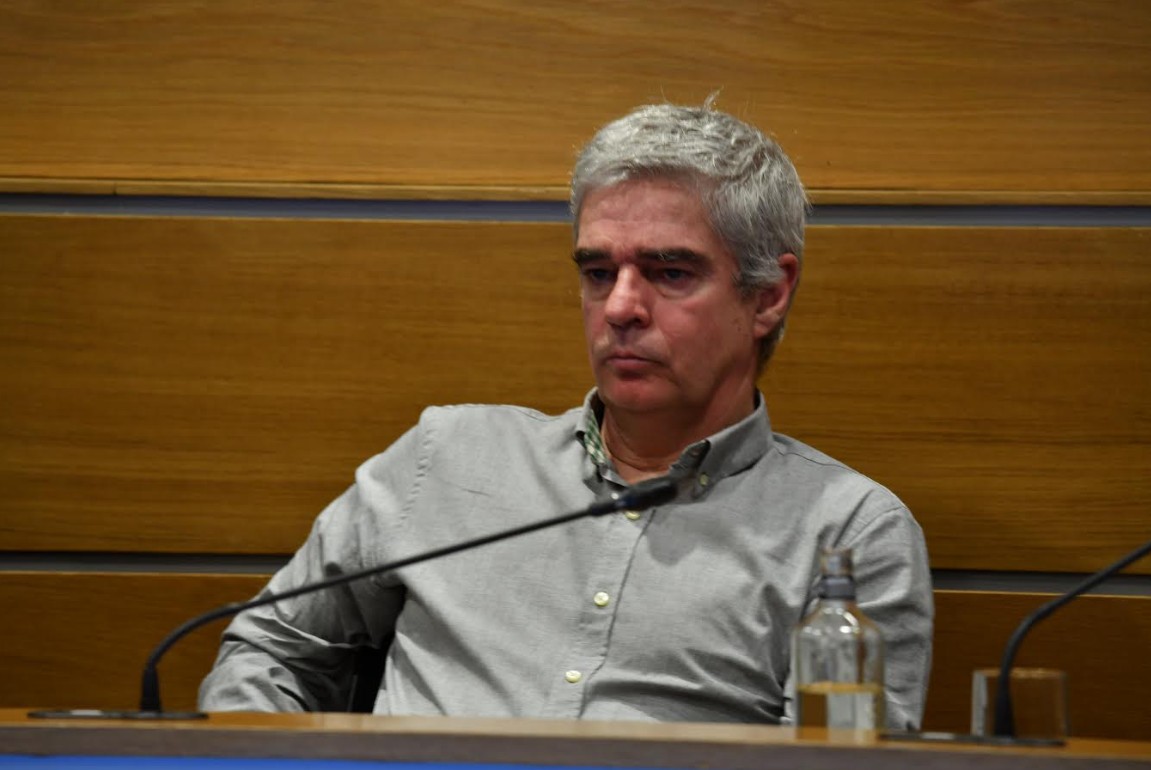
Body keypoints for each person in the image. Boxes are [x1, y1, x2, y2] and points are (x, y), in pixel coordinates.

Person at [199, 101, 933, 729]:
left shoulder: (847, 533)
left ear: (768, 295)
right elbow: (269, 652)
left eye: (670, 272)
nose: (620, 307)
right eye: (597, 272)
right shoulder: (445, 456)